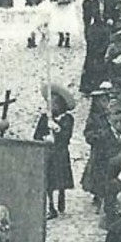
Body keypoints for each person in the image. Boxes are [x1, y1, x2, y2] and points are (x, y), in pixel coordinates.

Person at [35, 85, 75, 219]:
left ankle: (62, 195)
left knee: (61, 177)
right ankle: (51, 206)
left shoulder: (67, 119)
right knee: (49, 181)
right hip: (49, 152)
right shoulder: (45, 118)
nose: (52, 107)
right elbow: (36, 135)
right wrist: (44, 137)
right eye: (49, 103)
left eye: (55, 104)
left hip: (60, 152)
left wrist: (58, 130)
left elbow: (67, 136)